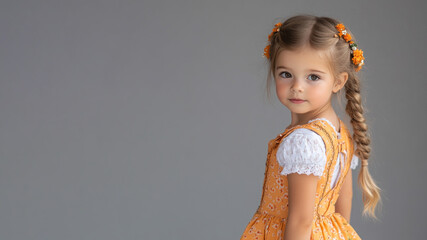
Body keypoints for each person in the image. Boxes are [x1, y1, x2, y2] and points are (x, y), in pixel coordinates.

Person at [240, 15, 382, 240]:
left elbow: (300, 220)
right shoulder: (339, 132)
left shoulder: (303, 141)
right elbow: (343, 209)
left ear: (338, 81)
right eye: (286, 74)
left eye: (313, 77)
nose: (297, 87)